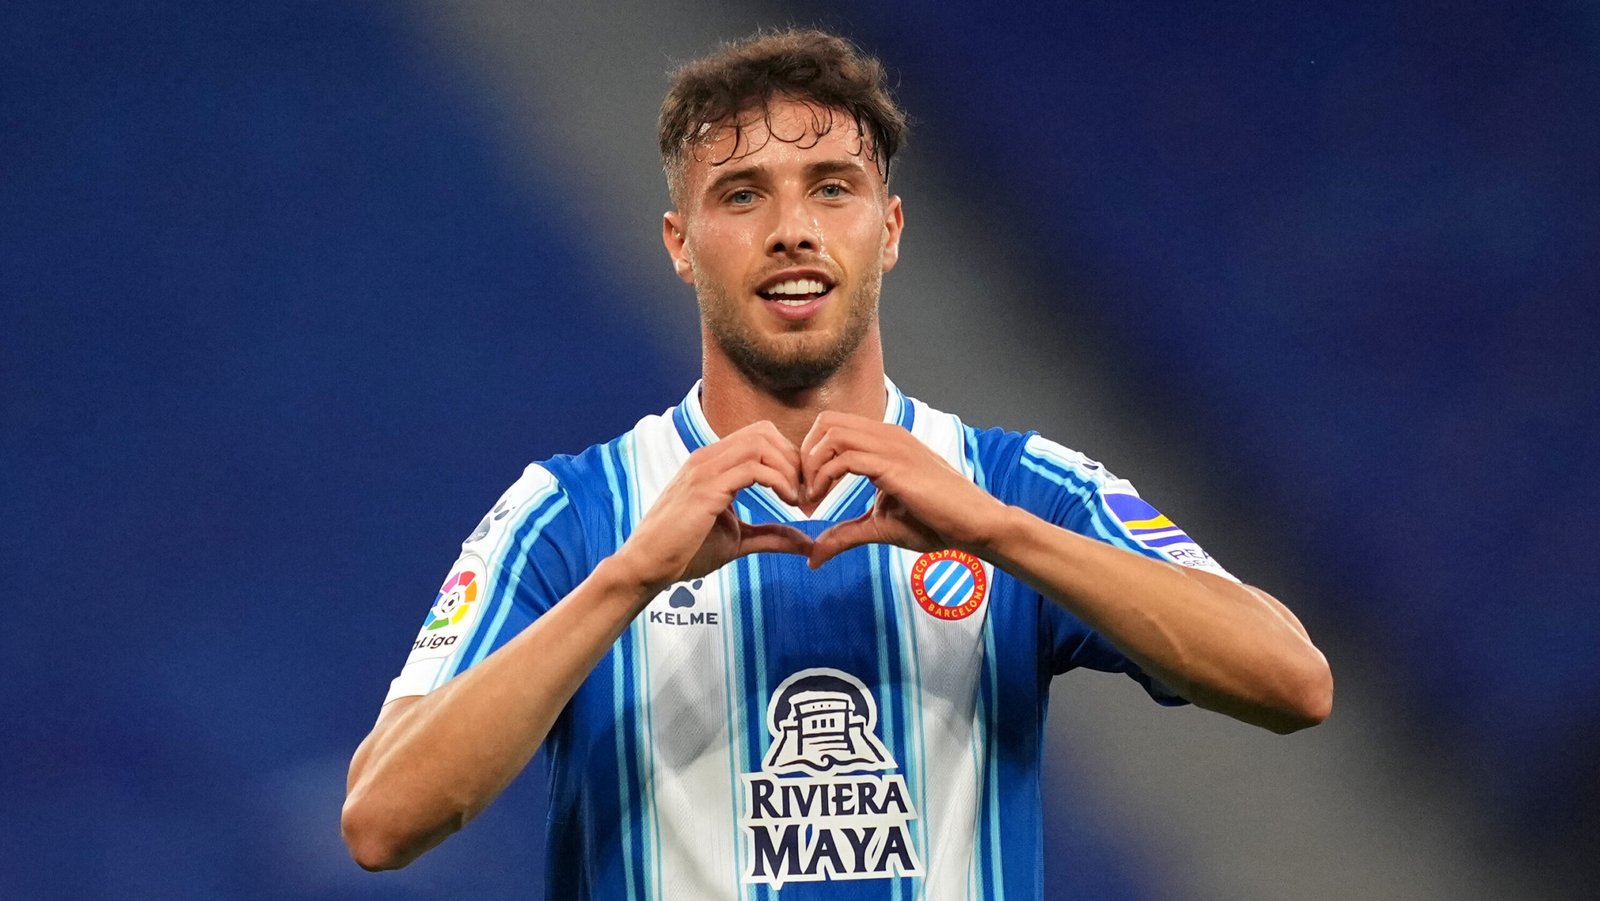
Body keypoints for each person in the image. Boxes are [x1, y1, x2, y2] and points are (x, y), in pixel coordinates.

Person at [341, 27, 1332, 899]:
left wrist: (1001, 534)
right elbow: (383, 820)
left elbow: (1293, 682)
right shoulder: (575, 513)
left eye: (832, 188)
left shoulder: (1007, 486)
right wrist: (627, 580)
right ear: (679, 246)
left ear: (888, 230)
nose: (792, 229)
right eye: (741, 195)